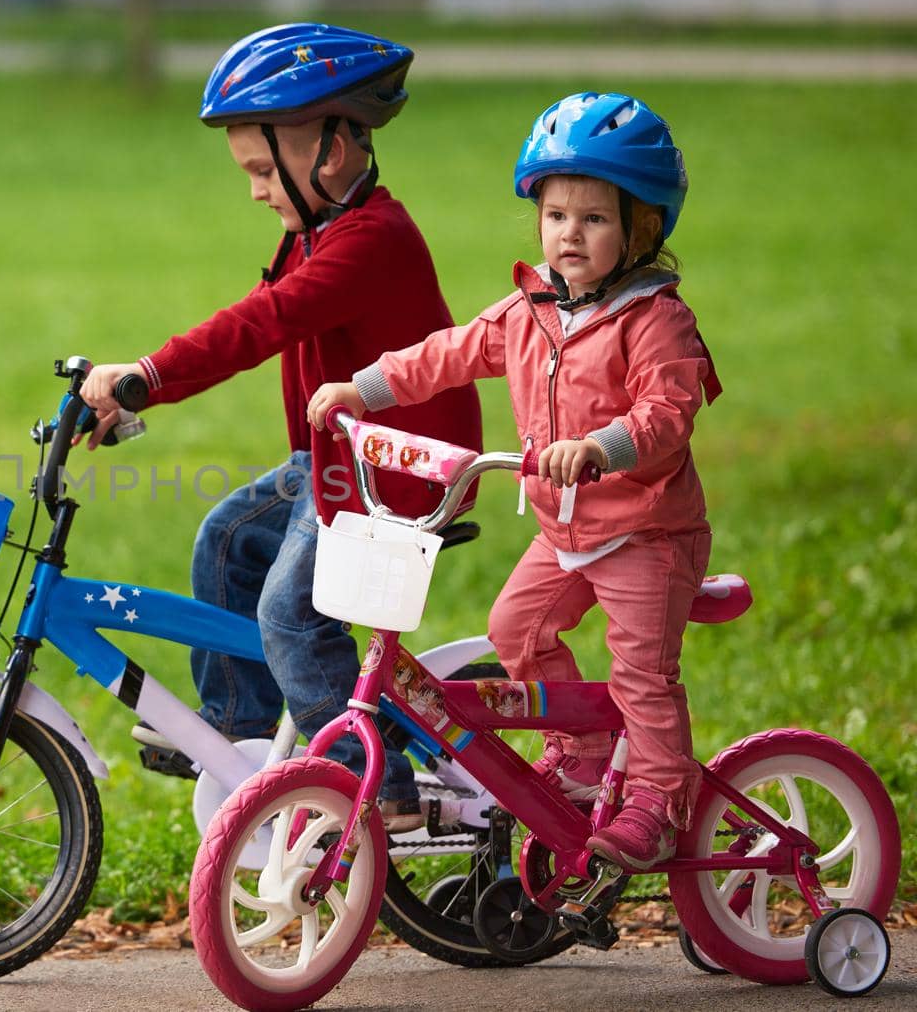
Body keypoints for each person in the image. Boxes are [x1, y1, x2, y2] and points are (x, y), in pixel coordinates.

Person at [80, 24, 483, 830]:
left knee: (290, 613)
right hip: (334, 462)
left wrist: (146, 377)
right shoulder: (318, 229)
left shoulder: (371, 241)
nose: (258, 189)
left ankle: (368, 781)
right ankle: (245, 735)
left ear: (331, 152)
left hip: (397, 472)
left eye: (264, 169)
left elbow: (260, 324)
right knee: (226, 541)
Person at [308, 91, 720, 867]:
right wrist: (362, 389)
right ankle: (583, 752)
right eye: (557, 214)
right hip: (565, 529)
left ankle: (661, 804)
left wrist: (603, 445)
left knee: (642, 673)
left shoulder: (657, 320)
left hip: (646, 531)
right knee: (516, 632)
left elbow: (668, 414)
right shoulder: (530, 311)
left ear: (644, 228)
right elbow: (448, 352)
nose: (570, 234)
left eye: (595, 219)